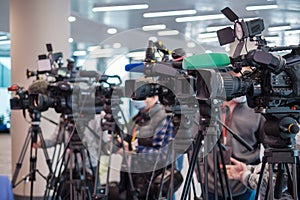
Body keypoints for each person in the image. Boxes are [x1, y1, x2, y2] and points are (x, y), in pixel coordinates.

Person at [118, 95, 175, 200]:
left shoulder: (162, 120)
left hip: (151, 184)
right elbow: (129, 140)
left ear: (155, 97)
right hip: (133, 181)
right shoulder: (137, 118)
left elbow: (163, 156)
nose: (138, 101)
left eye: (143, 97)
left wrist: (135, 149)